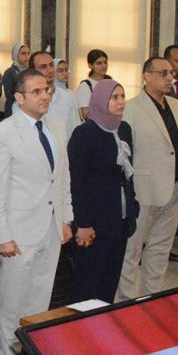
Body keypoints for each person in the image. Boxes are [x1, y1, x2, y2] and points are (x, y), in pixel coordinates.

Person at [0, 69, 73, 355]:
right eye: (37, 92)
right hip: (18, 231)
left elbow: (62, 178)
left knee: (40, 296)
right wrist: (2, 235)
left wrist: (66, 218)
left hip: (51, 226)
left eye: (47, 90)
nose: (45, 95)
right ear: (19, 98)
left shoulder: (57, 126)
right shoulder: (3, 132)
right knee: (13, 302)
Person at [118, 57, 178, 300]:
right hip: (143, 188)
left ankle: (151, 298)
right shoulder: (131, 108)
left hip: (176, 186)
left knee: (161, 248)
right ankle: (127, 301)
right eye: (163, 73)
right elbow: (124, 155)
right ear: (147, 76)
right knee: (131, 249)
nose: (170, 77)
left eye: (171, 73)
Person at [68, 79, 139, 304]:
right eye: (114, 97)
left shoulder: (124, 129)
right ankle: (82, 325)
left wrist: (133, 206)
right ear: (100, 100)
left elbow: (128, 174)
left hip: (120, 218)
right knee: (88, 283)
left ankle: (104, 321)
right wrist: (83, 223)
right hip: (94, 222)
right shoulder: (84, 134)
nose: (121, 102)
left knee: (110, 280)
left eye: (122, 96)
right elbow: (76, 183)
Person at [31, 50, 81, 132]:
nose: (49, 70)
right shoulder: (27, 100)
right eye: (43, 67)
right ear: (33, 71)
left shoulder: (68, 96)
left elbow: (75, 127)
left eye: (51, 65)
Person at [75, 49, 110, 121]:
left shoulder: (110, 83)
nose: (103, 66)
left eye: (105, 62)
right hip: (94, 126)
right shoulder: (85, 86)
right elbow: (86, 114)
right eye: (99, 63)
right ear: (90, 65)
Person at [1, 43, 30, 118]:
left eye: (28, 53)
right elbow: (9, 95)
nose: (27, 56)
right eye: (23, 53)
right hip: (13, 110)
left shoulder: (30, 71)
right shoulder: (9, 72)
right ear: (16, 55)